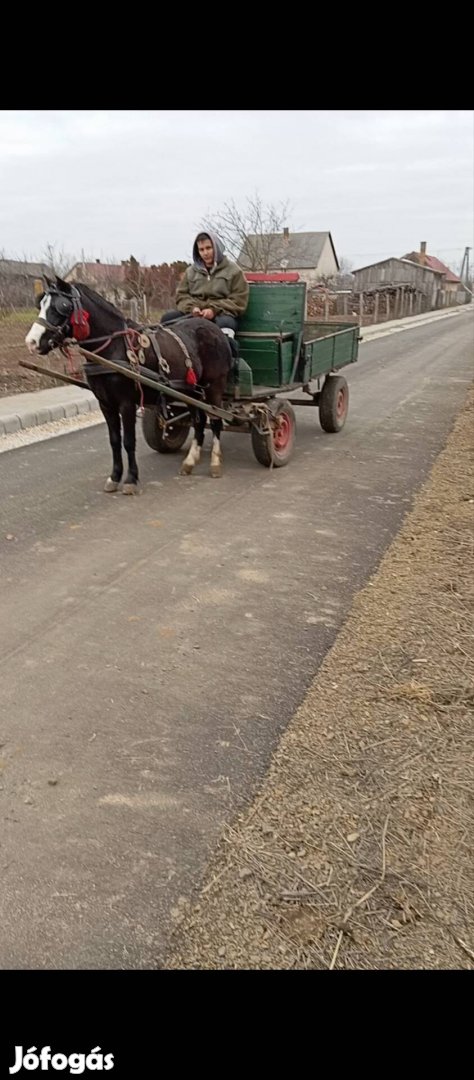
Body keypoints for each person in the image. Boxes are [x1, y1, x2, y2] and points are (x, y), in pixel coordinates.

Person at [160, 231, 249, 356]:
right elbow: (181, 296)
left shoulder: (234, 271)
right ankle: (172, 358)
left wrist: (213, 310)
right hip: (195, 314)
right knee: (168, 318)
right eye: (201, 249)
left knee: (226, 324)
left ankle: (228, 361)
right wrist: (192, 308)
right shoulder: (190, 272)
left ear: (216, 248)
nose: (205, 253)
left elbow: (239, 300)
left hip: (221, 314)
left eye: (208, 248)